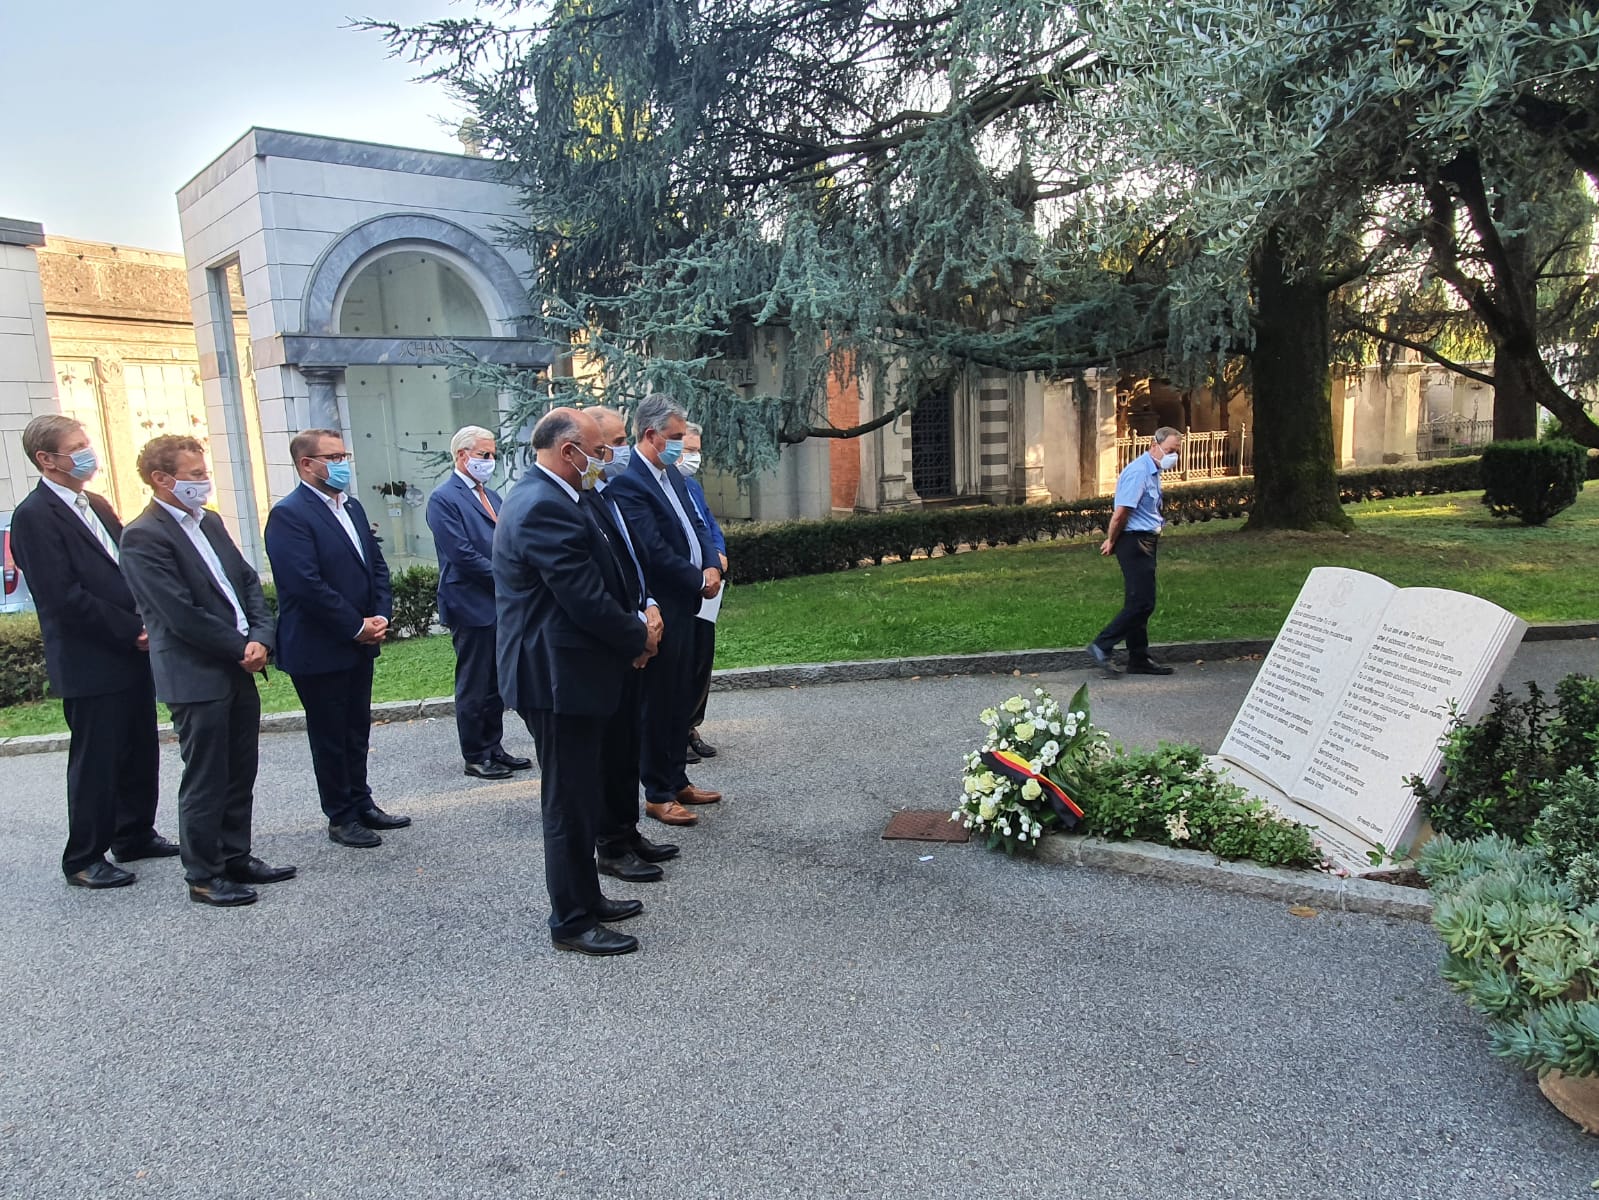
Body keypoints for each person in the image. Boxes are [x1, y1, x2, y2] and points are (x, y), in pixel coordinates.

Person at [493, 408, 659, 956]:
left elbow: (611, 569)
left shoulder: (565, 495)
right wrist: (636, 638)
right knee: (567, 802)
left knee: (582, 794)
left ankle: (588, 897)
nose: (605, 460)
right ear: (569, 452)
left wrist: (637, 618)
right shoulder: (542, 504)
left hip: (573, 670)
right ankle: (570, 920)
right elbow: (583, 597)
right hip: (554, 679)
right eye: (598, 450)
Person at [118, 436, 294, 907]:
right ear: (162, 479)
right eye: (194, 475)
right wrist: (241, 647)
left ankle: (235, 854)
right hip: (197, 674)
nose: (204, 481)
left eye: (203, 472)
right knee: (206, 776)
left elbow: (245, 581)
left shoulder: (210, 521)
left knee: (240, 769)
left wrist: (262, 635)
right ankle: (203, 872)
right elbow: (179, 614)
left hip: (241, 664)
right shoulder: (143, 535)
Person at [9, 415, 175, 888]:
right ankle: (84, 856)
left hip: (132, 649)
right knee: (97, 759)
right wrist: (130, 630)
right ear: (47, 459)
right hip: (91, 658)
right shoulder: (34, 516)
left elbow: (130, 566)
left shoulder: (96, 504)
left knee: (138, 746)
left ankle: (134, 833)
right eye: (76, 446)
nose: (88, 453)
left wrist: (149, 620)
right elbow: (63, 597)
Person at [264, 428, 410, 848]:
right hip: (320, 645)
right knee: (330, 734)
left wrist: (380, 614)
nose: (343, 462)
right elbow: (304, 584)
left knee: (355, 728)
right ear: (307, 465)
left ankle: (362, 801)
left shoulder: (353, 507)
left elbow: (375, 566)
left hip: (360, 640)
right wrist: (354, 624)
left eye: (343, 454)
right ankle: (341, 815)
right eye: (333, 456)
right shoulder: (290, 514)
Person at [603, 394, 724, 828]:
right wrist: (698, 579)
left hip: (691, 602)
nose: (679, 446)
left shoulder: (672, 474)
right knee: (658, 702)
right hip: (664, 604)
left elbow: (699, 524)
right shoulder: (629, 483)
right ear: (650, 435)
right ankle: (657, 792)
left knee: (680, 699)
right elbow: (650, 550)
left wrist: (711, 563)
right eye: (673, 438)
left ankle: (677, 778)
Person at [590, 407, 677, 882]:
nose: (617, 452)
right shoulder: (585, 499)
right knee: (607, 754)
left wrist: (650, 604)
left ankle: (628, 833)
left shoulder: (608, 493)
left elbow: (634, 562)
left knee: (626, 748)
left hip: (640, 622)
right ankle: (611, 843)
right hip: (613, 645)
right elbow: (591, 589)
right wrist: (636, 634)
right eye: (609, 445)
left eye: (620, 442)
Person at [425, 425, 532, 781]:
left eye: (492, 455)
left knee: (496, 682)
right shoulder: (444, 498)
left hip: (499, 603)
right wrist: (507, 576)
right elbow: (462, 554)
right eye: (484, 455)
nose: (490, 461)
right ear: (462, 455)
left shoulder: (493, 496)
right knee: (474, 682)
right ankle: (475, 753)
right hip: (470, 602)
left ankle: (494, 747)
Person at [1088, 427, 1183, 677]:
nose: (1174, 456)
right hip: (1134, 542)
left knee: (1137, 601)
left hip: (1145, 540)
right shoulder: (1139, 472)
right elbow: (1121, 513)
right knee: (1143, 602)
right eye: (1171, 450)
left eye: (1176, 452)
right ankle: (1102, 644)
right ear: (1155, 445)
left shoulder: (1152, 471)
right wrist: (1111, 540)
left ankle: (1138, 658)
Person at [676, 423, 727, 764]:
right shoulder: (657, 489)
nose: (693, 457)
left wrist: (718, 558)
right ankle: (674, 730)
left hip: (709, 589)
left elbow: (710, 527)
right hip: (682, 590)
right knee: (678, 664)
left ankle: (692, 725)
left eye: (696, 450)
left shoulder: (692, 488)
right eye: (687, 450)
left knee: (700, 662)